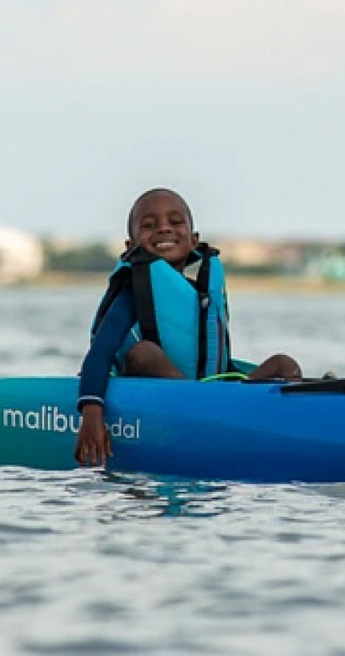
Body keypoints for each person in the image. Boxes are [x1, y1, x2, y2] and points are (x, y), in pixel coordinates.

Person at [74, 188, 302, 466]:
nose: (164, 229)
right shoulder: (134, 289)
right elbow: (100, 352)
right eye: (148, 225)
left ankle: (295, 431)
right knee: (144, 352)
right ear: (129, 244)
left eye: (175, 221)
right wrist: (92, 412)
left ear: (194, 240)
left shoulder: (202, 296)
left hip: (207, 393)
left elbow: (211, 361)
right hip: (153, 393)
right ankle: (211, 417)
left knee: (284, 365)